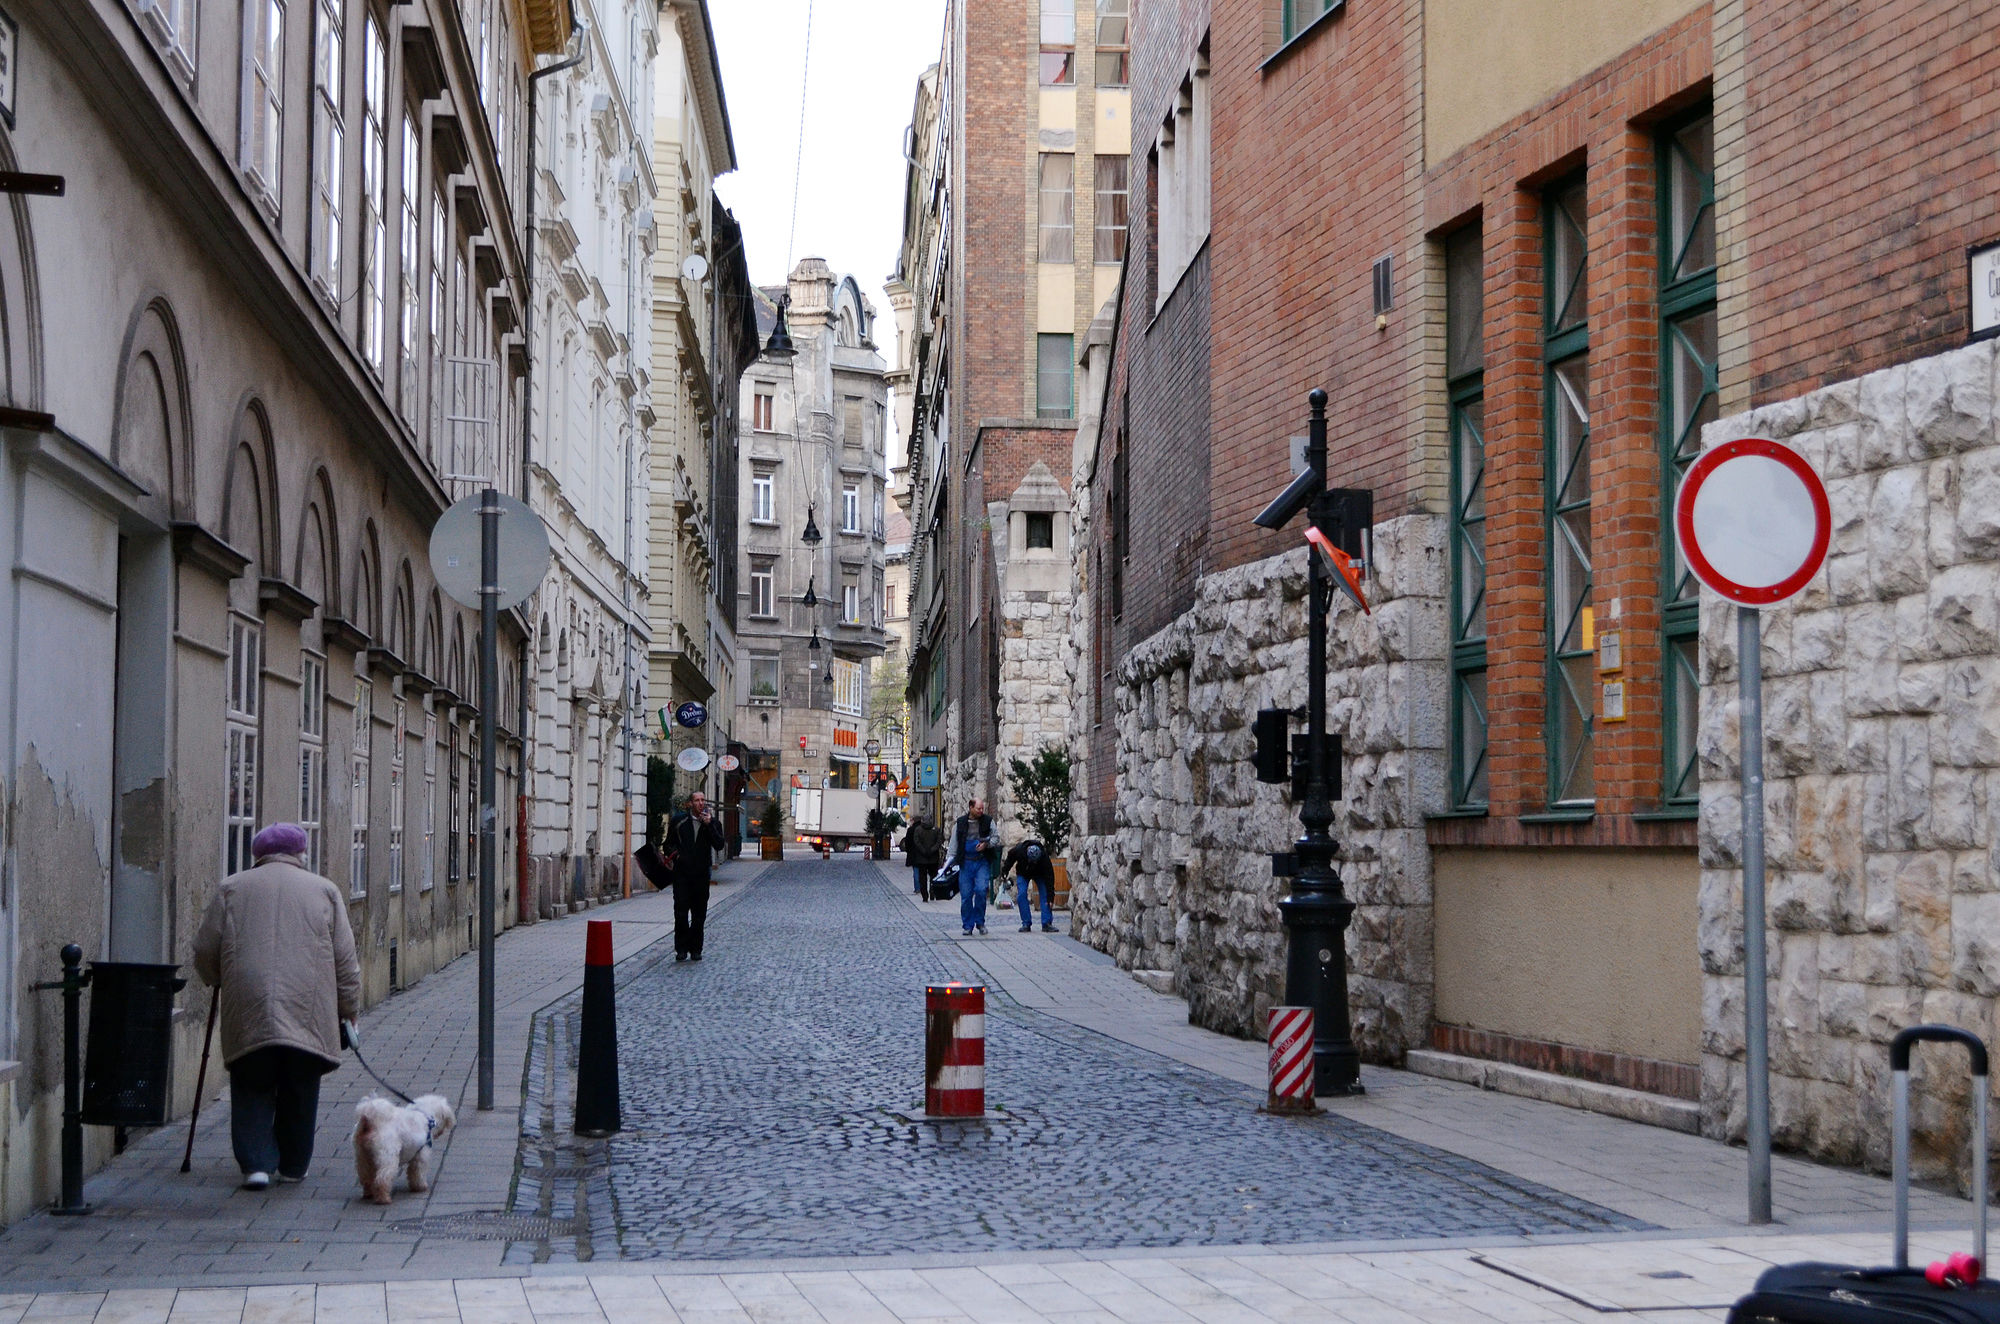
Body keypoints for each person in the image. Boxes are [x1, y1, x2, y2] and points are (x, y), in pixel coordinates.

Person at [192, 822, 360, 1191]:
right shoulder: (324, 891)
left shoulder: (232, 888)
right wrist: (349, 1007)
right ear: (301, 854)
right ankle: (294, 1164)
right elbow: (345, 960)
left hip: (248, 1000)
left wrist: (216, 976)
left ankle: (255, 1164)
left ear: (259, 854)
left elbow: (205, 948)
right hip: (307, 1005)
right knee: (301, 1084)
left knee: (252, 1079)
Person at [666, 791, 727, 961]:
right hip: (682, 874)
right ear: (690, 804)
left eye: (702, 800)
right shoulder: (679, 821)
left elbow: (719, 844)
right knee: (681, 912)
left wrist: (709, 825)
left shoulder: (713, 823)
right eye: (697, 800)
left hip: (701, 874)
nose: (700, 803)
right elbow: (668, 844)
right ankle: (681, 949)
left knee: (699, 914)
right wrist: (677, 855)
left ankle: (696, 949)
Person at [951, 798, 998, 936]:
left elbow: (996, 838)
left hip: (981, 861)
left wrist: (986, 845)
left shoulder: (988, 821)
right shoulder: (960, 823)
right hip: (965, 862)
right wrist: (950, 861)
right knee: (966, 896)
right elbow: (954, 843)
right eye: (978, 809)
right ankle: (967, 925)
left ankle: (980, 922)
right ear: (971, 807)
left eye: (982, 808)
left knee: (981, 890)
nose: (981, 811)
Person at [1003, 837, 1057, 932]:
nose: (1033, 863)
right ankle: (1026, 923)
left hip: (1039, 874)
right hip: (1023, 873)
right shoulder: (1019, 850)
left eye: (1035, 862)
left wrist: (1051, 898)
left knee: (1045, 895)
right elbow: (1010, 858)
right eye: (1032, 861)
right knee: (1021, 895)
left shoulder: (1044, 859)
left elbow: (1050, 879)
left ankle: (1047, 923)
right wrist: (1004, 871)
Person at [900, 816, 943, 901]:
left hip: (921, 858)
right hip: (933, 858)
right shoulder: (936, 830)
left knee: (922, 877)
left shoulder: (918, 830)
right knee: (933, 876)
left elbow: (917, 842)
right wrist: (932, 850)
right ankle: (932, 892)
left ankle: (924, 895)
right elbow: (939, 842)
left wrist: (923, 850)